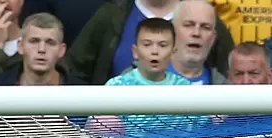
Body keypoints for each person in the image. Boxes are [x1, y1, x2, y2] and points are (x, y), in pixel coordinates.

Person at [103, 18, 194, 138]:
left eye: (162, 45)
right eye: (147, 44)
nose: (154, 51)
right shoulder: (116, 88)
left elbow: (213, 121)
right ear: (135, 51)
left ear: (174, 52)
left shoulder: (186, 91)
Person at [67, 0, 232, 86]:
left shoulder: (202, 13)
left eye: (204, 28)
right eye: (188, 25)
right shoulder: (110, 14)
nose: (197, 32)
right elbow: (75, 73)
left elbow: (229, 69)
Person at [0, 11, 72, 84]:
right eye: (34, 41)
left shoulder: (83, 92)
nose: (41, 49)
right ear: (20, 46)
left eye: (50, 43)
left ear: (61, 50)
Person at [168, 0, 225, 83]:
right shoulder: (144, 80)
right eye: (188, 25)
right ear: (172, 31)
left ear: (213, 38)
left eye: (206, 27)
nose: (196, 33)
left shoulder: (224, 87)